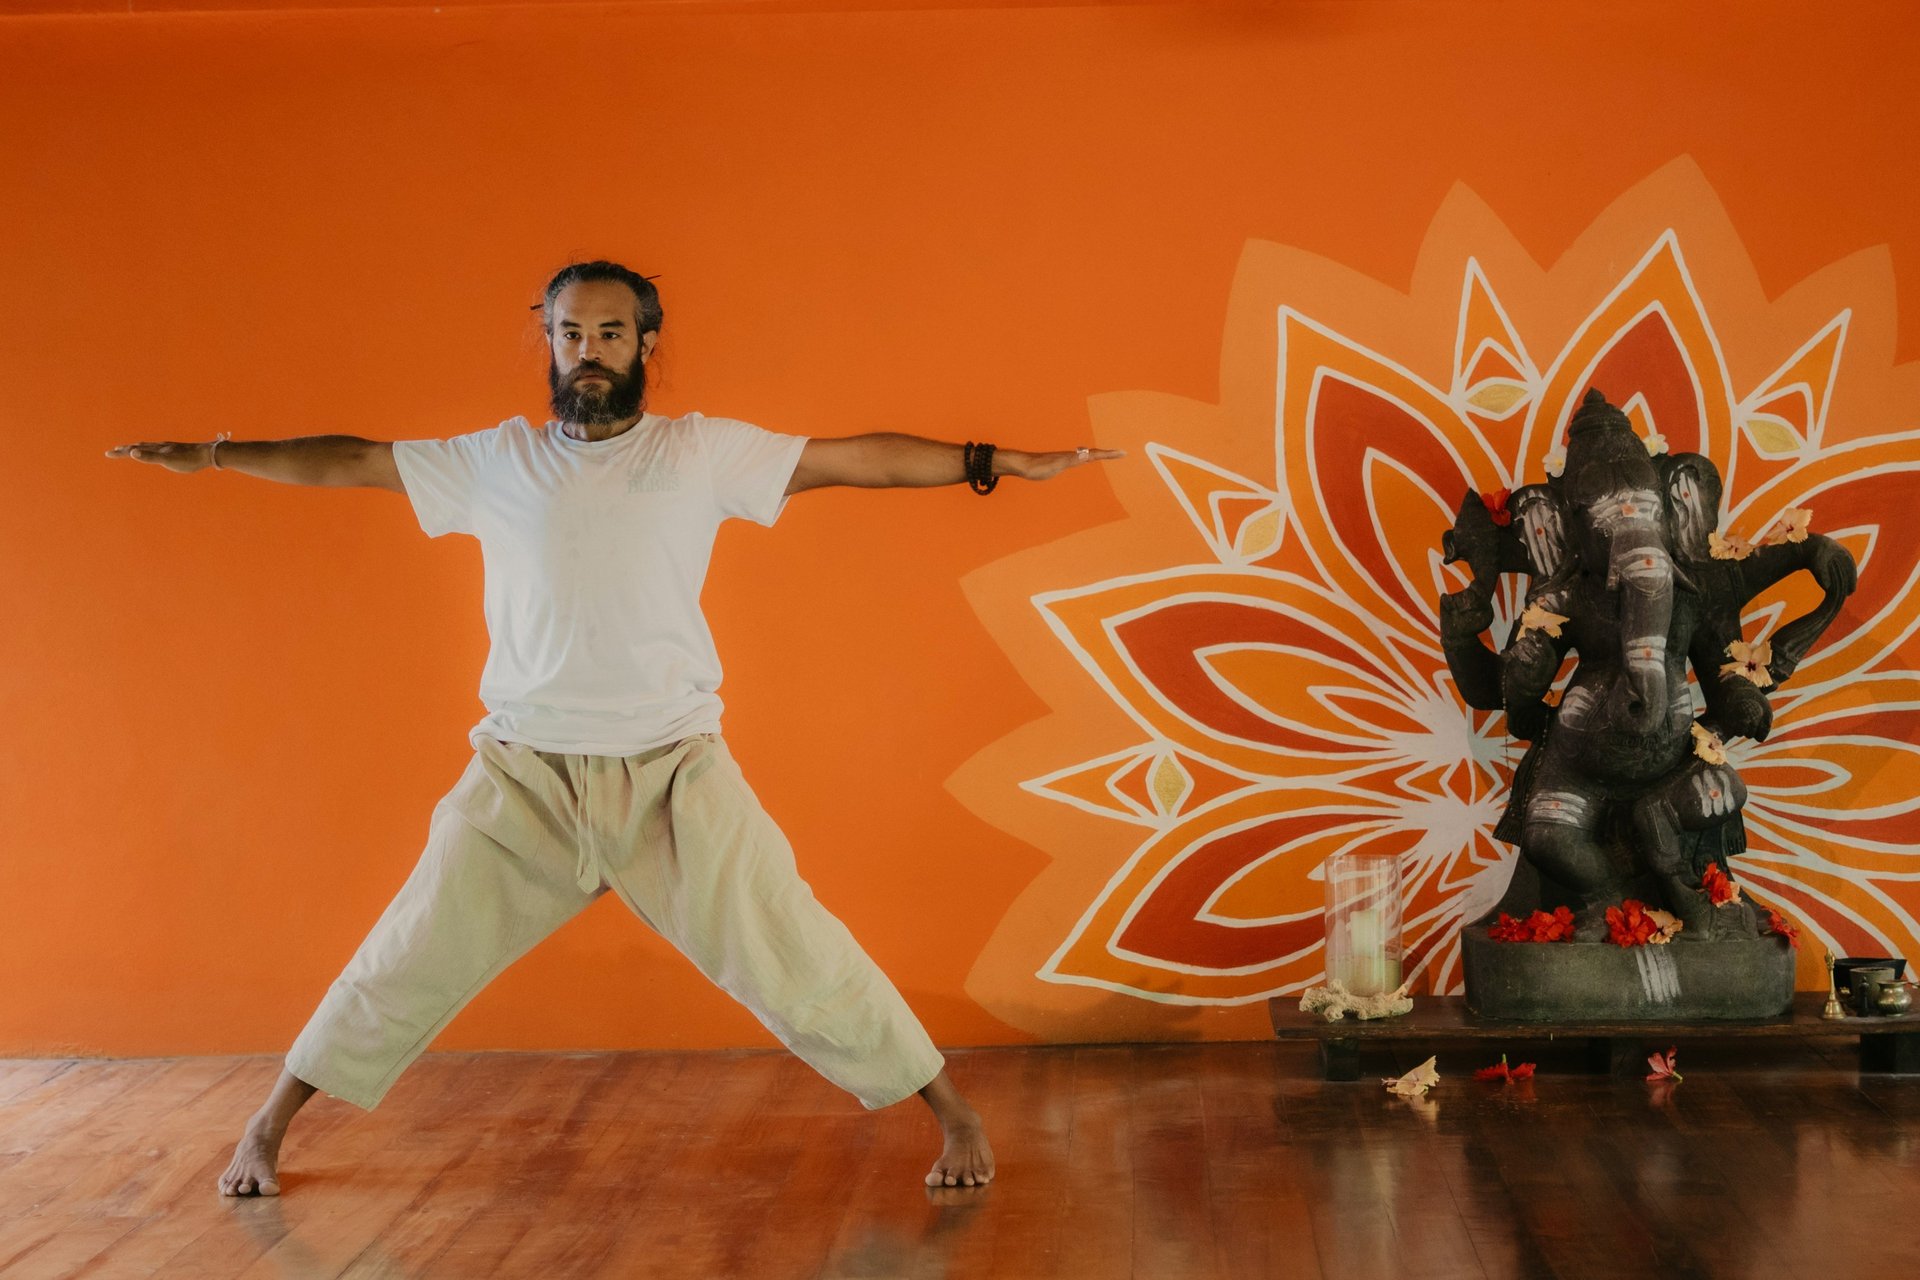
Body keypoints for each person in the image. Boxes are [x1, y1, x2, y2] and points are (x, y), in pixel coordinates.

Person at [107, 260, 1121, 1197]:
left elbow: (855, 458)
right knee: (407, 949)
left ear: (645, 346)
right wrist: (216, 453)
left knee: (795, 947)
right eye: (569, 332)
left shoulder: (698, 452)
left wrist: (998, 460)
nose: (587, 349)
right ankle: (270, 1126)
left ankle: (952, 1117)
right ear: (547, 344)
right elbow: (353, 461)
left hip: (674, 769)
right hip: (523, 777)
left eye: (609, 332)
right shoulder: (493, 461)